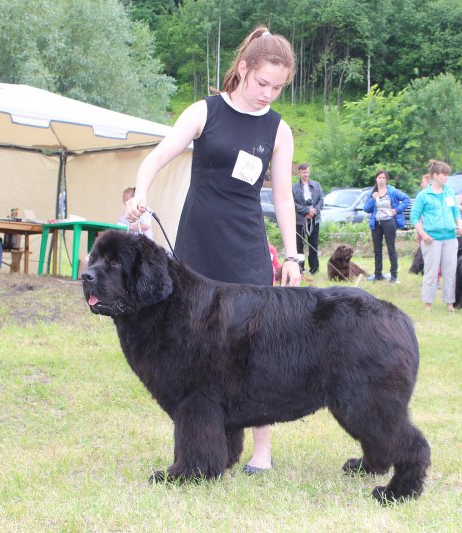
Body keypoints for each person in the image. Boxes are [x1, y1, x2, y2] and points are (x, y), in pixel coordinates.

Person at [123, 26, 301, 475]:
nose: (269, 94)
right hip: (197, 246)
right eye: (263, 83)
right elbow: (156, 159)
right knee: (191, 346)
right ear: (243, 69)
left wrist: (293, 256)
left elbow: (282, 198)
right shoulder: (206, 112)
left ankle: (262, 451)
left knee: (256, 349)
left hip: (247, 249)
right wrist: (139, 194)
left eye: (278, 88)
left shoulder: (278, 129)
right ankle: (196, 447)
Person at [410, 160, 462, 312]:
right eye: (444, 174)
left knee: (450, 271)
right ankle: (428, 304)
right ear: (435, 175)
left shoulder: (449, 192)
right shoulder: (423, 195)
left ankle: (449, 303)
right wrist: (423, 234)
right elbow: (414, 218)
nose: (446, 177)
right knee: (431, 272)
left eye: (447, 174)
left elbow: (455, 212)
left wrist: (459, 225)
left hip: (450, 237)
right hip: (431, 238)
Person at [363, 170, 410, 283]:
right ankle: (378, 275)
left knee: (391, 249)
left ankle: (394, 275)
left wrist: (396, 210)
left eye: (384, 178)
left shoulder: (392, 191)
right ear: (376, 179)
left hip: (389, 222)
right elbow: (366, 209)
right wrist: (373, 199)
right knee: (377, 250)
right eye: (380, 177)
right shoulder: (372, 192)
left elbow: (406, 199)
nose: (382, 180)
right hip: (377, 223)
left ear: (386, 180)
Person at [291, 163, 324, 274]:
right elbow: (293, 203)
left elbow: (321, 200)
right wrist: (306, 211)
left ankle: (314, 268)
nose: (306, 174)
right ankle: (300, 268)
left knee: (313, 244)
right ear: (299, 173)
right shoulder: (294, 187)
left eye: (307, 172)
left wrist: (314, 211)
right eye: (304, 172)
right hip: (300, 220)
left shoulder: (316, 185)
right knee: (299, 245)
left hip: (314, 219)